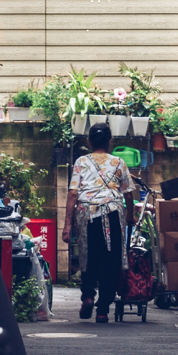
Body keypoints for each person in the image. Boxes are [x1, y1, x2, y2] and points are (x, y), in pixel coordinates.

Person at [62, 123, 135, 322]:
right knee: (110, 262)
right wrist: (130, 217)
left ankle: (87, 296)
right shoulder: (119, 162)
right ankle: (102, 309)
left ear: (89, 141)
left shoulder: (81, 161)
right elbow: (128, 194)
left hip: (86, 216)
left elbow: (73, 193)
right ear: (110, 140)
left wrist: (67, 226)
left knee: (87, 258)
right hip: (112, 213)